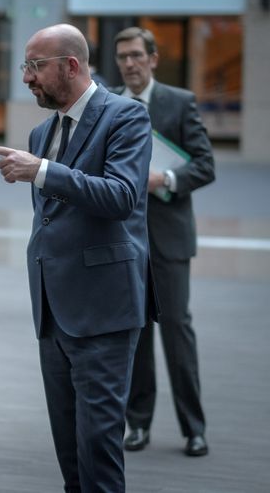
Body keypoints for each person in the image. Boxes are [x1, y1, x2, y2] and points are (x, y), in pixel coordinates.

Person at [0, 23, 154, 492]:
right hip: (54, 311)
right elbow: (54, 218)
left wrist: (42, 171)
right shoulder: (41, 132)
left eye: (35, 67)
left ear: (71, 66)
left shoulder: (126, 117)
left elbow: (121, 197)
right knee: (69, 452)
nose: (26, 78)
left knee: (98, 449)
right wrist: (42, 169)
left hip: (103, 311)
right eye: (26, 67)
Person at [114, 26, 215, 457]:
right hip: (124, 240)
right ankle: (138, 425)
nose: (130, 64)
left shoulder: (179, 102)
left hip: (169, 239)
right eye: (123, 57)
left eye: (137, 55)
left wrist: (166, 178)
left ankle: (194, 428)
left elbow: (205, 165)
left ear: (153, 59)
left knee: (176, 334)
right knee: (134, 334)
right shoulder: (111, 105)